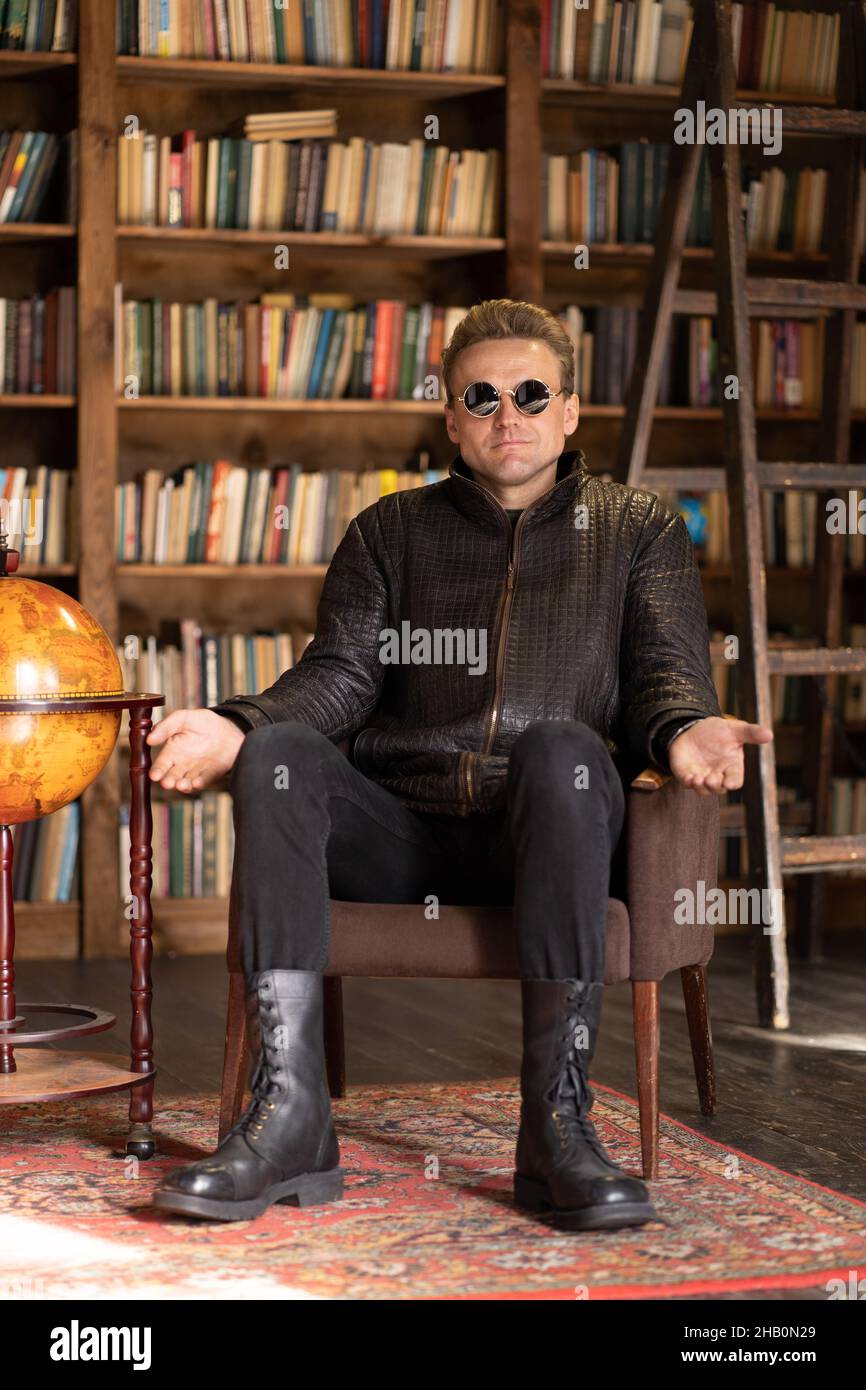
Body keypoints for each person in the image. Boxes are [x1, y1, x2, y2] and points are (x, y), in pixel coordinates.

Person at [147, 298, 773, 1231]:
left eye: (529, 394)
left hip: (549, 832)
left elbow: (663, 677)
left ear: (569, 411)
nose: (506, 414)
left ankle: (557, 1127)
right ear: (451, 418)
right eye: (481, 396)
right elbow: (339, 679)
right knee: (279, 755)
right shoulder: (387, 532)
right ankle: (289, 1120)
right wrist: (238, 728)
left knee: (562, 747)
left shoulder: (639, 528)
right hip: (405, 835)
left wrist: (683, 731)